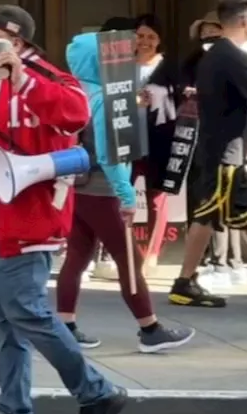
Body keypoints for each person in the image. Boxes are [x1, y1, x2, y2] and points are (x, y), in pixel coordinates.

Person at [0, 5, 126, 414]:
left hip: (21, 219)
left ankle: (96, 392)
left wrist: (20, 76)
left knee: (28, 312)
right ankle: (14, 413)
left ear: (18, 42)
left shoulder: (45, 76)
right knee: (3, 322)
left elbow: (75, 113)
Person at [59, 30, 194, 353]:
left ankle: (64, 324)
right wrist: (127, 194)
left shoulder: (73, 90)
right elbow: (110, 152)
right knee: (128, 259)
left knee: (77, 255)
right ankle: (149, 328)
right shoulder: (104, 98)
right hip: (102, 188)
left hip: (72, 184)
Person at [169, 0, 247, 307]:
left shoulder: (216, 55)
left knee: (246, 212)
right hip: (224, 151)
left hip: (226, 149)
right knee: (208, 213)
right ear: (245, 22)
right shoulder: (231, 57)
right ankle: (185, 282)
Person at [131, 14, 170, 271]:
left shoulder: (168, 67)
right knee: (121, 195)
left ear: (159, 41)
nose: (145, 41)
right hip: (128, 140)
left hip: (158, 141)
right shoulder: (122, 66)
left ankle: (152, 255)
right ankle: (124, 253)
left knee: (157, 200)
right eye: (141, 35)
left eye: (151, 37)